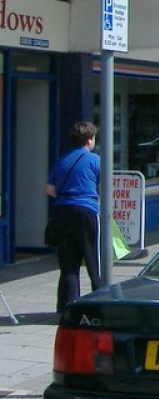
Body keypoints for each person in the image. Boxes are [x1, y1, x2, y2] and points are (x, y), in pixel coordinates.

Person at [46, 121, 101, 312]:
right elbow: (102, 184)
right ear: (89, 140)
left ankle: (67, 307)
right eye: (94, 138)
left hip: (62, 211)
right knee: (93, 259)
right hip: (85, 210)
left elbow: (50, 189)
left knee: (68, 264)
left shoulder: (62, 160)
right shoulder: (94, 160)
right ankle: (99, 303)